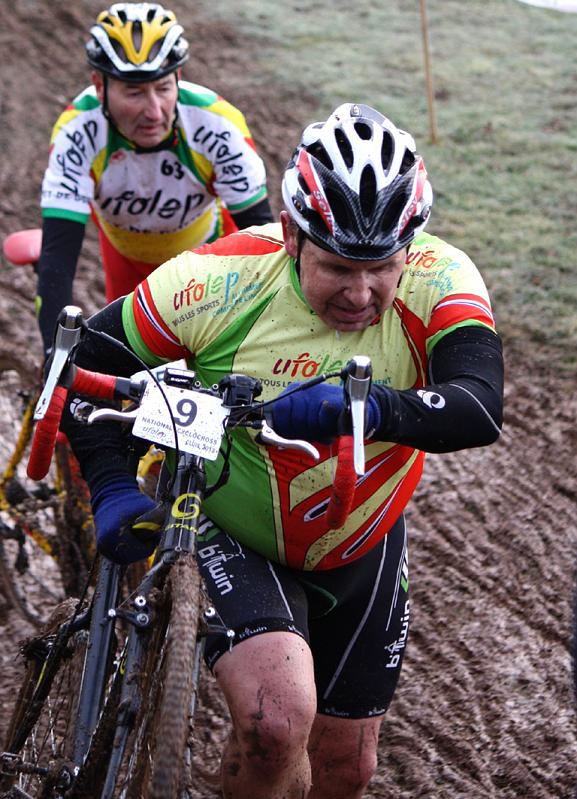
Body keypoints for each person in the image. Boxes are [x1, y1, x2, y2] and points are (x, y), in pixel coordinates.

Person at [59, 102, 504, 798]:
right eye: (337, 267)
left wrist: (368, 409)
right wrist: (112, 485)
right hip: (229, 524)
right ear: (292, 235)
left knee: (346, 768)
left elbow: (479, 404)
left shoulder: (441, 278)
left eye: (382, 267)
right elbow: (84, 366)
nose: (360, 292)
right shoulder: (216, 278)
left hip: (362, 539)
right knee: (275, 724)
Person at [36, 2, 272, 353]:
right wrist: (55, 356)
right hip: (127, 261)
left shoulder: (216, 124)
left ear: (178, 78)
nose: (154, 111)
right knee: (127, 362)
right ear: (100, 86)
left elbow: (265, 239)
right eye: (134, 93)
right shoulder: (78, 131)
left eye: (163, 88)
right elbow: (58, 257)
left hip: (208, 256)